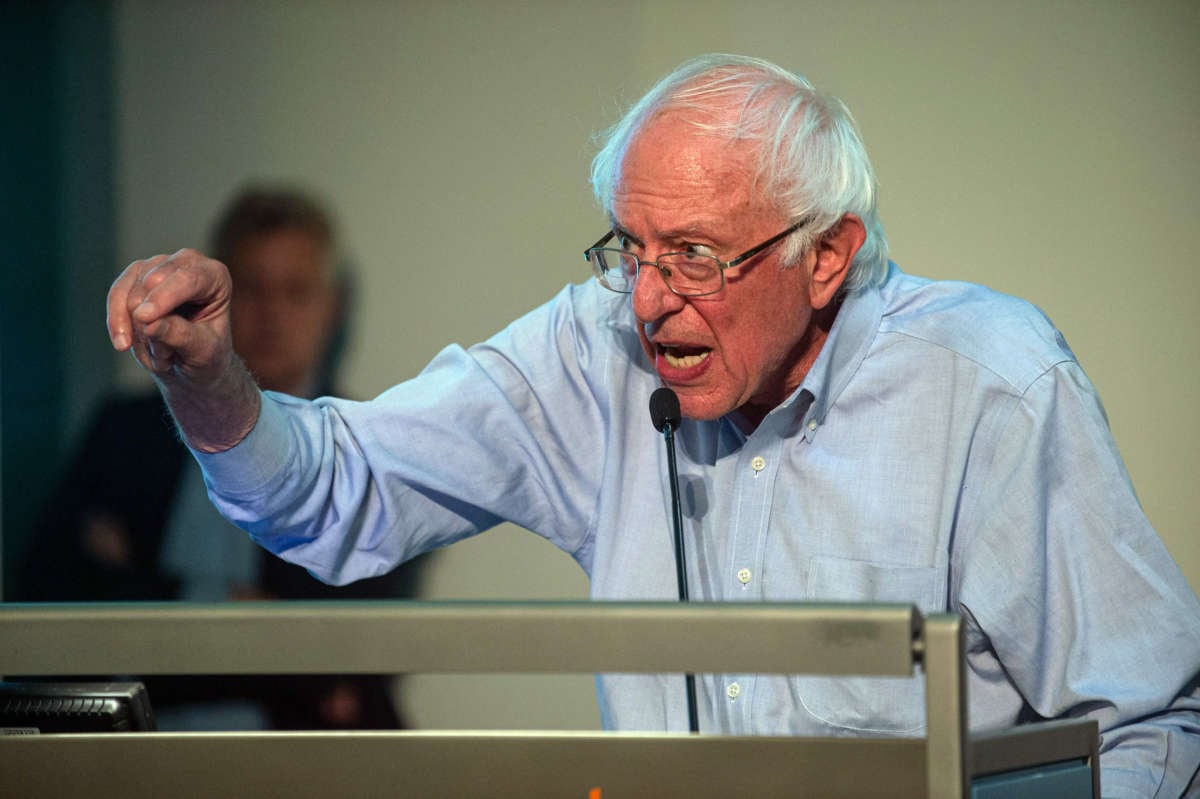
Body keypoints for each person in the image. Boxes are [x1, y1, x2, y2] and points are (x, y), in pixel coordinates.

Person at [105, 55, 1199, 795]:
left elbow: (1151, 726)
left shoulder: (992, 385)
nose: (648, 298)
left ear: (825, 254)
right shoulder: (597, 348)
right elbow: (330, 492)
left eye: (697, 256)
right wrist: (210, 378)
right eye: (630, 247)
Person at [25, 186, 427, 730]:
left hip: (313, 766)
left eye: (296, 291)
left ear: (333, 307)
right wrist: (244, 615)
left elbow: (342, 660)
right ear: (210, 301)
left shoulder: (368, 441)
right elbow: (48, 605)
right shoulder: (125, 430)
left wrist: (146, 596)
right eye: (253, 289)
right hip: (130, 755)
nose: (272, 314)